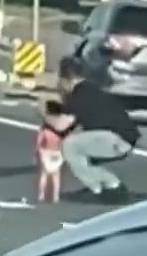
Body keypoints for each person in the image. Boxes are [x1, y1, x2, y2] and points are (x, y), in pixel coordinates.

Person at [57, 56, 140, 198]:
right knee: (81, 150)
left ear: (66, 79)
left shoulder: (78, 94)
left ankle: (103, 187)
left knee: (69, 145)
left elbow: (61, 126)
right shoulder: (93, 90)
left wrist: (44, 112)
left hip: (115, 139)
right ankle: (103, 185)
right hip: (125, 138)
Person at [35, 99, 68, 203]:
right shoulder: (61, 128)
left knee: (44, 174)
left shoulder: (45, 128)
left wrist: (36, 152)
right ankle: (55, 196)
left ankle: (41, 194)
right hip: (58, 153)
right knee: (56, 175)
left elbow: (39, 141)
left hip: (46, 153)